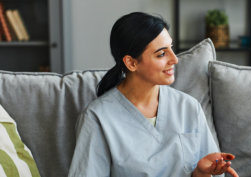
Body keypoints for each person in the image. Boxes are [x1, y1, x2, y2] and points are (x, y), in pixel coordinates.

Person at [68, 12, 238, 177]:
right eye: (162, 54)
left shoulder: (188, 107)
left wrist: (201, 173)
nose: (175, 59)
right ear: (131, 63)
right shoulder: (98, 118)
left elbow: (209, 170)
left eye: (171, 48)